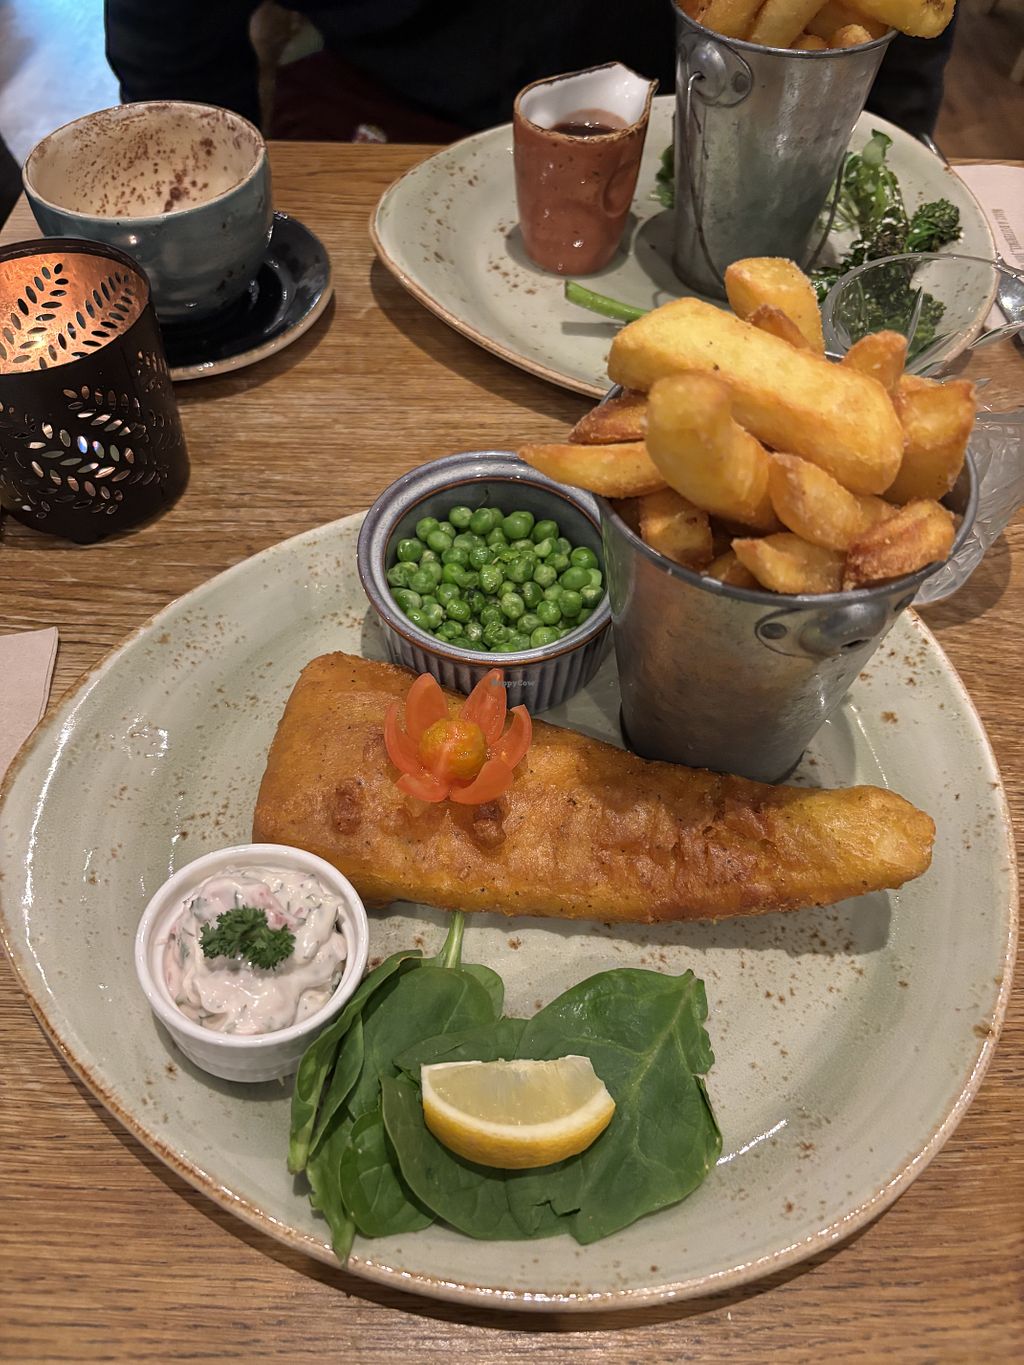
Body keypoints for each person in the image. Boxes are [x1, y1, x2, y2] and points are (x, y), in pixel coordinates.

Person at [105, 0, 958, 145]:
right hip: (382, 104)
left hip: (699, 116)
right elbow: (170, 41)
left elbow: (908, 30)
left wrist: (888, 133)